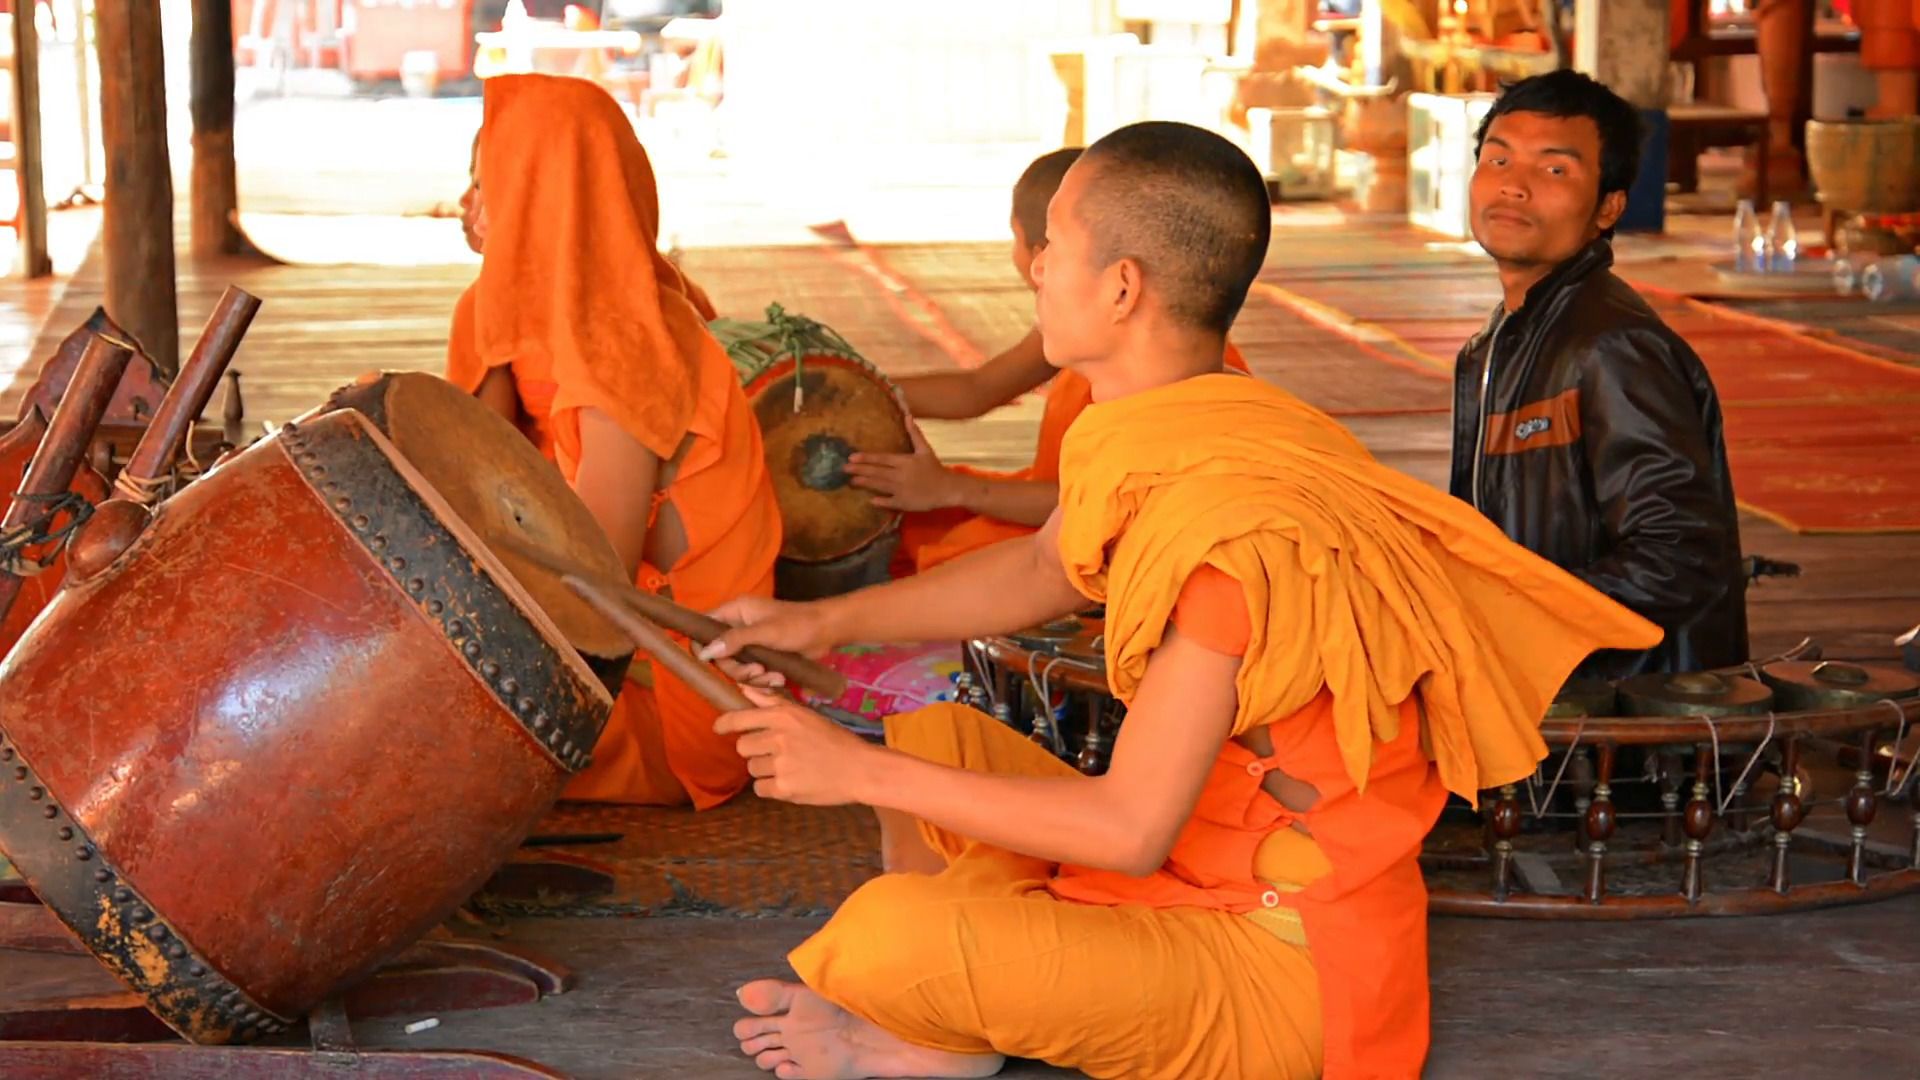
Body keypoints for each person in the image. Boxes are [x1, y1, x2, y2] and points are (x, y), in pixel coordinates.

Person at [698, 120, 1662, 1079]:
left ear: (1122, 287)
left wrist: (849, 772)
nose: (1035, 270)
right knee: (932, 737)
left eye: (1056, 247)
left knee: (883, 938)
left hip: (1277, 959)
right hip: (1196, 851)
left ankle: (944, 1017)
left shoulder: (1233, 528)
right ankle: (961, 999)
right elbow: (1041, 570)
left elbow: (1127, 831)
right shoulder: (1187, 425)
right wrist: (811, 621)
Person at [444, 73, 781, 809]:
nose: (465, 209)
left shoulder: (623, 340)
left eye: (487, 185)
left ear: (544, 197)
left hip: (672, 700)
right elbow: (472, 470)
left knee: (411, 748)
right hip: (592, 666)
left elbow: (587, 585)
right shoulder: (501, 319)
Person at [1454, 69, 1747, 679]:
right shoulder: (1493, 345)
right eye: (1498, 160)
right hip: (1531, 692)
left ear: (1609, 206)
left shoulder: (1611, 346)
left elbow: (1681, 555)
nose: (1514, 187)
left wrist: (1512, 609)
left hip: (1621, 727)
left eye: (1554, 170)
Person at [852, 148, 1249, 576]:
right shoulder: (1086, 325)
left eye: (1026, 243)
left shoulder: (1170, 368)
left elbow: (1112, 507)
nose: (1033, 267)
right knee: (908, 521)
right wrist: (849, 389)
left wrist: (952, 489)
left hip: (1102, 527)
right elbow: (978, 390)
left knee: (954, 558)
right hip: (1066, 505)